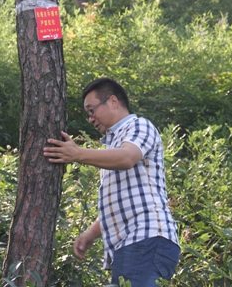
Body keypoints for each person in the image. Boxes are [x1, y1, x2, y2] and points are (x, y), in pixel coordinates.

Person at [43, 77, 180, 287]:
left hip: (147, 237)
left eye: (92, 110)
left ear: (113, 102)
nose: (90, 119)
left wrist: (77, 153)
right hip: (132, 244)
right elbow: (122, 201)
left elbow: (127, 158)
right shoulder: (112, 146)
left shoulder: (139, 126)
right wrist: (90, 233)